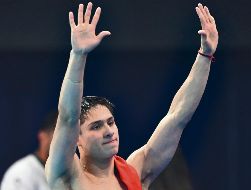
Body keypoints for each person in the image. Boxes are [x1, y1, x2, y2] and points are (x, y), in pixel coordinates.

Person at [45, 2, 218, 190]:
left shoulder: (136, 172)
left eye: (110, 122)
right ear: (76, 138)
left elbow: (178, 116)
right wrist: (78, 55)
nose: (109, 131)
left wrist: (205, 56)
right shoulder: (66, 175)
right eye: (96, 126)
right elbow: (68, 117)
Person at [1, 111, 58, 190]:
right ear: (42, 136)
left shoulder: (68, 174)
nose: (64, 143)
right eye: (59, 136)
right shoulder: (22, 171)